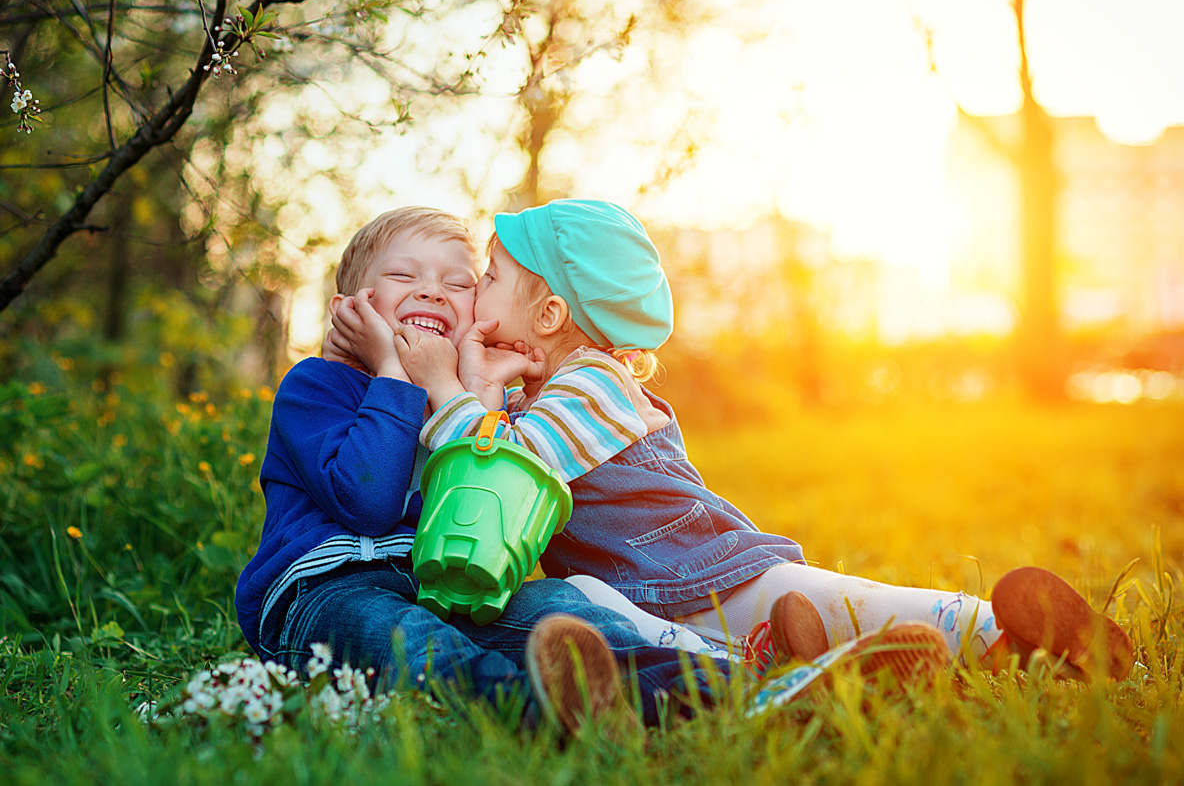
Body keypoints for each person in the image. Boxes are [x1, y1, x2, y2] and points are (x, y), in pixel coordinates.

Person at [236, 205, 947, 739]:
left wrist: (473, 389)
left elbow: (477, 517)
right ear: (348, 308)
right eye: (402, 277)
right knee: (414, 645)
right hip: (324, 592)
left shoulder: (449, 402)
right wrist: (395, 372)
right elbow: (365, 500)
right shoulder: (316, 386)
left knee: (565, 614)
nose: (433, 291)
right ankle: (543, 713)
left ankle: (762, 689)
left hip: (440, 590)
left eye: (460, 284)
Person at [374, 199, 1132, 682]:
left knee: (850, 600)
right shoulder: (540, 393)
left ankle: (1005, 629)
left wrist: (453, 389)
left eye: (493, 277)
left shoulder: (592, 386)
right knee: (612, 608)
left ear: (547, 317)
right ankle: (882, 664)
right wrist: (481, 389)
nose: (475, 300)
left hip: (704, 576)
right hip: (662, 597)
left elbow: (500, 477)